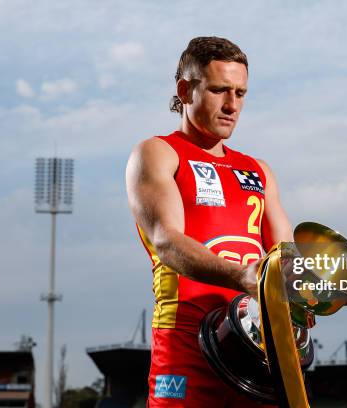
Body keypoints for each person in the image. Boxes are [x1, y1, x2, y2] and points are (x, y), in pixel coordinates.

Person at [126, 36, 291, 407]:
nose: (232, 105)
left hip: (257, 342)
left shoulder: (258, 169)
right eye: (219, 90)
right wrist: (242, 276)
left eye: (241, 92)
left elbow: (285, 257)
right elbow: (166, 241)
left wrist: (329, 285)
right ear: (185, 91)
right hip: (186, 339)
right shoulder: (157, 153)